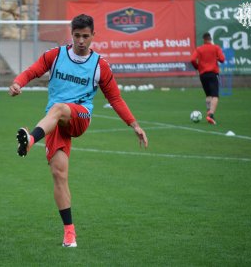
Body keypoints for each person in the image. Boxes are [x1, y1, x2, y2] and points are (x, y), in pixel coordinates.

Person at [9, 14, 148, 248]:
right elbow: (32, 71)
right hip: (54, 123)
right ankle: (69, 234)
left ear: (93, 36)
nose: (81, 41)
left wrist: (134, 124)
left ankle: (31, 140)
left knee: (59, 107)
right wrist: (17, 83)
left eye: (85, 36)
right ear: (71, 35)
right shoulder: (55, 56)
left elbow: (114, 98)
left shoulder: (100, 65)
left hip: (79, 116)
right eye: (77, 36)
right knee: (59, 175)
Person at [191, 32, 225, 125]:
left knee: (208, 95)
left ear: (204, 40)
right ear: (210, 39)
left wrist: (197, 67)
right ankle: (211, 115)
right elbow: (222, 59)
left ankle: (208, 112)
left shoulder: (199, 49)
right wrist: (216, 58)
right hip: (213, 74)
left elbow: (192, 59)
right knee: (215, 96)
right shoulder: (216, 48)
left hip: (203, 75)